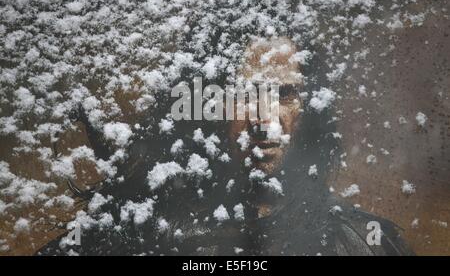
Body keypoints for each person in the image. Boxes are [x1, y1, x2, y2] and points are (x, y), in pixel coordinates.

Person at [37, 37, 413, 256]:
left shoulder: (364, 242)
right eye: (247, 94)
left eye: (285, 95)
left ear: (311, 110)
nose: (266, 122)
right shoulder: (137, 233)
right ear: (207, 105)